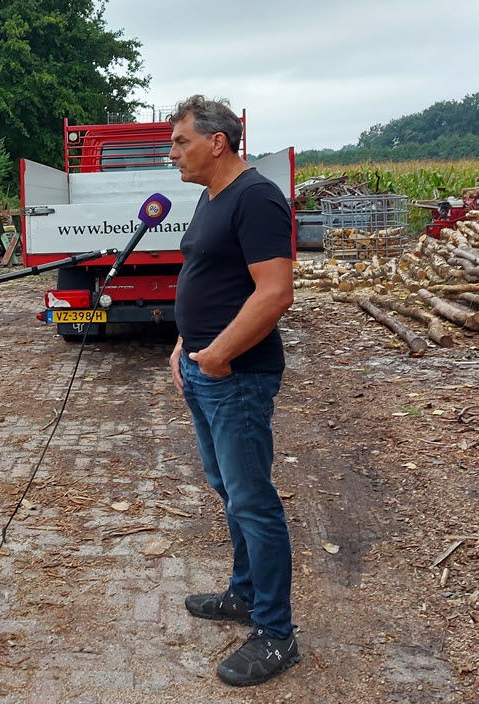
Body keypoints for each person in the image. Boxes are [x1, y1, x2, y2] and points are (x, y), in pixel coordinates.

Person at [167, 95, 299, 687]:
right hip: (203, 368)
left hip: (237, 377)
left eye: (180, 143)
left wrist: (218, 354)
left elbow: (274, 293)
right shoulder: (211, 196)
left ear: (217, 142)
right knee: (228, 488)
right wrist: (184, 341)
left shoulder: (257, 197)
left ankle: (276, 634)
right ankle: (244, 594)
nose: (173, 154)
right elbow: (207, 276)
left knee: (253, 500)